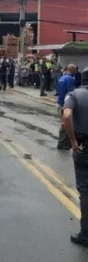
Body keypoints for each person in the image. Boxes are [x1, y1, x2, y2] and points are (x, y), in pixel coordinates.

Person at [62, 69, 88, 246]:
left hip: (83, 147)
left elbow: (67, 115)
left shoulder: (75, 94)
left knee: (85, 190)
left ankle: (85, 234)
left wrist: (72, 140)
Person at [57, 65, 78, 150]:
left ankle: (64, 142)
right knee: (66, 123)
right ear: (72, 70)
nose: (75, 72)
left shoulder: (62, 78)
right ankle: (62, 143)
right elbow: (71, 92)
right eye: (75, 70)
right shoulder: (70, 79)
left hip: (59, 102)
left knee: (64, 123)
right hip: (64, 104)